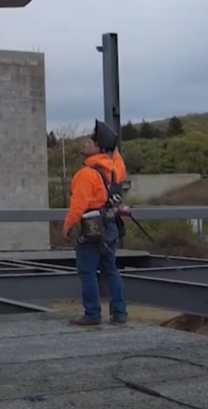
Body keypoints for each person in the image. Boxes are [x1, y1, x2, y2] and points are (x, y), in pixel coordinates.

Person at [62, 120, 127, 326]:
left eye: (89, 141)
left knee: (88, 272)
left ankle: (92, 314)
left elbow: (78, 206)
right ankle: (119, 314)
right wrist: (114, 149)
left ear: (97, 147)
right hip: (111, 227)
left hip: (92, 228)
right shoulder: (115, 171)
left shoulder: (85, 175)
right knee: (111, 270)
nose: (85, 143)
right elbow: (119, 161)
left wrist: (67, 226)